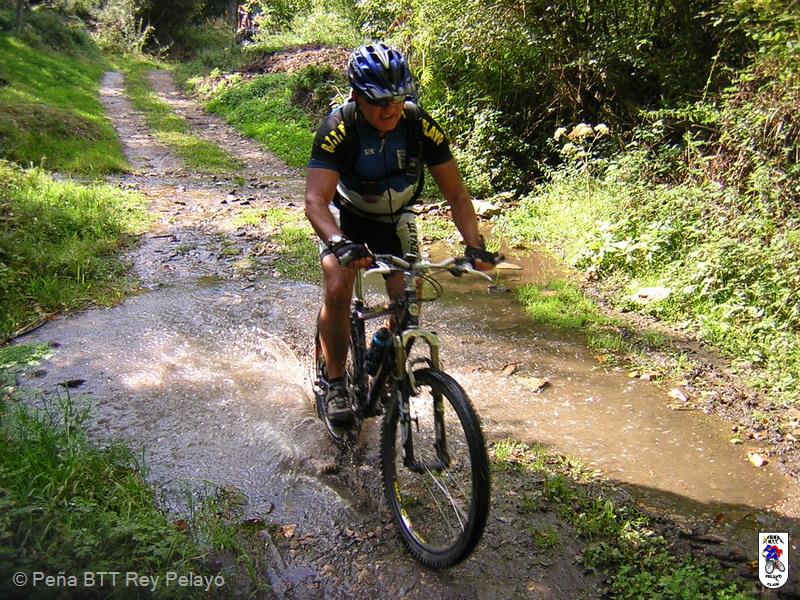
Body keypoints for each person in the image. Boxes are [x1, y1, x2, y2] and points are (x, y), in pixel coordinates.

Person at [304, 42, 500, 425]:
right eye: (378, 101)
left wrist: (475, 246)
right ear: (357, 96)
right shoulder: (338, 128)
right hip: (346, 217)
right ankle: (336, 382)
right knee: (339, 284)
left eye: (397, 98)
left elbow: (457, 195)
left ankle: (382, 345)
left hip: (395, 218)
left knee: (409, 303)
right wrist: (339, 243)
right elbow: (315, 200)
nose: (390, 109)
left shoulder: (418, 124)